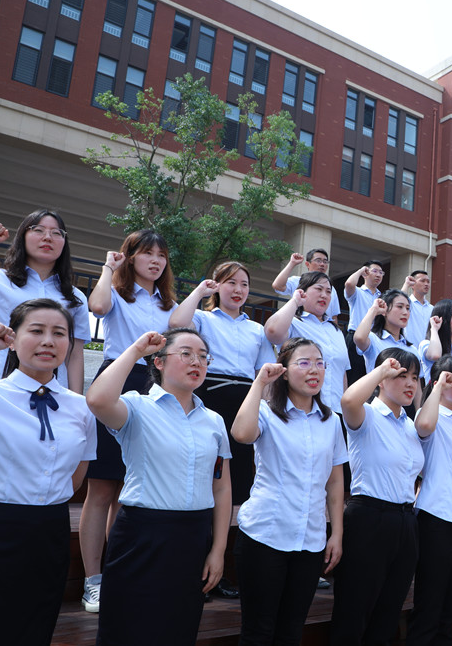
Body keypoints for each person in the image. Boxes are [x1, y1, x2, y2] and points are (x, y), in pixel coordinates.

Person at [86, 328, 232, 645]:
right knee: (125, 628)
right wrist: (135, 350)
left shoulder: (214, 421)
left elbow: (221, 488)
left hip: (193, 536)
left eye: (203, 356)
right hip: (142, 534)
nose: (197, 361)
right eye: (186, 354)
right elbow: (97, 399)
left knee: (178, 628)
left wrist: (218, 549)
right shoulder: (137, 407)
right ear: (160, 362)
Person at [0, 301, 97, 645]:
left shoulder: (80, 407)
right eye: (36, 331)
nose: (48, 341)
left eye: (59, 333)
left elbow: (77, 475)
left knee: (36, 625)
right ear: (12, 340)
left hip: (49, 530)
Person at [80, 230, 178, 613]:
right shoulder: (119, 292)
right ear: (130, 256)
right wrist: (108, 268)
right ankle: (92, 580)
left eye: (161, 255)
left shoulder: (168, 302)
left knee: (128, 486)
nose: (155, 260)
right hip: (117, 378)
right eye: (146, 253)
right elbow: (98, 307)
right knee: (101, 488)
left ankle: (116, 570)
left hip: (153, 384)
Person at [231, 339, 345, 645]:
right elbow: (241, 433)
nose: (314, 370)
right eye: (304, 362)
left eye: (320, 363)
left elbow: (334, 482)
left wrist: (336, 533)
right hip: (265, 535)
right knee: (258, 632)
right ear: (284, 371)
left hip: (310, 540)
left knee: (291, 631)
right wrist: (259, 383)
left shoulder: (331, 421)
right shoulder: (268, 414)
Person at [330, 349, 424, 645]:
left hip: (406, 523)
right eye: (401, 376)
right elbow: (347, 399)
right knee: (353, 613)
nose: (410, 383)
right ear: (382, 379)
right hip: (368, 519)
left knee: (388, 615)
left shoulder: (411, 426)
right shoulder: (367, 415)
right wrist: (382, 369)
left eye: (415, 378)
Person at [169, 262, 275, 509]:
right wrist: (199, 292)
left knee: (240, 459)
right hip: (211, 394)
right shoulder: (203, 318)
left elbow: (264, 372)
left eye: (244, 284)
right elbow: (176, 323)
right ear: (217, 286)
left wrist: (266, 408)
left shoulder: (257, 329)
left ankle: (235, 522)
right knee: (206, 456)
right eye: (231, 282)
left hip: (247, 399)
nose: (238, 289)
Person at [406, 356, 452, 646]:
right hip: (435, 518)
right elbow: (422, 425)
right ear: (440, 382)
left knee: (450, 609)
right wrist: (436, 388)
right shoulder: (431, 415)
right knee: (429, 606)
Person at [0, 213, 89, 391]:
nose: (47, 237)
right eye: (38, 230)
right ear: (22, 236)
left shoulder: (75, 297)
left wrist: (77, 402)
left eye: (57, 233)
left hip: (50, 391)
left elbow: (74, 355)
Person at [264, 271, 351, 429]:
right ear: (302, 291)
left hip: (336, 415)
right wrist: (295, 301)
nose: (324, 295)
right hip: (302, 412)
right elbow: (272, 331)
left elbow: (342, 372)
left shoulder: (336, 331)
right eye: (319, 289)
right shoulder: (294, 322)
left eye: (328, 291)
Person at [353, 289, 422, 375]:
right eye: (400, 306)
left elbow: (417, 384)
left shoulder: (412, 349)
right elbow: (359, 338)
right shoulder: (374, 340)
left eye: (408, 308)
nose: (405, 312)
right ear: (384, 310)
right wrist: (374, 310)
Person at [271, 249, 342, 322]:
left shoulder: (330, 289)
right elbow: (278, 286)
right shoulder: (298, 281)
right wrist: (292, 263)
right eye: (318, 260)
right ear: (308, 264)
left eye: (325, 261)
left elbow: (334, 316)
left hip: (323, 328)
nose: (322, 264)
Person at [343, 260, 383, 332]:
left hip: (374, 337)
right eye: (375, 271)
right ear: (365, 274)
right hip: (355, 334)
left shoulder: (381, 297)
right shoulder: (357, 292)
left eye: (381, 272)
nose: (378, 275)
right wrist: (361, 270)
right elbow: (349, 283)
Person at [403, 270, 433, 347]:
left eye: (428, 281)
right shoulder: (407, 304)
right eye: (422, 281)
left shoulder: (432, 308)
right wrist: (407, 284)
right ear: (413, 285)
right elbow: (399, 299)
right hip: (409, 350)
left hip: (427, 353)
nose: (426, 284)